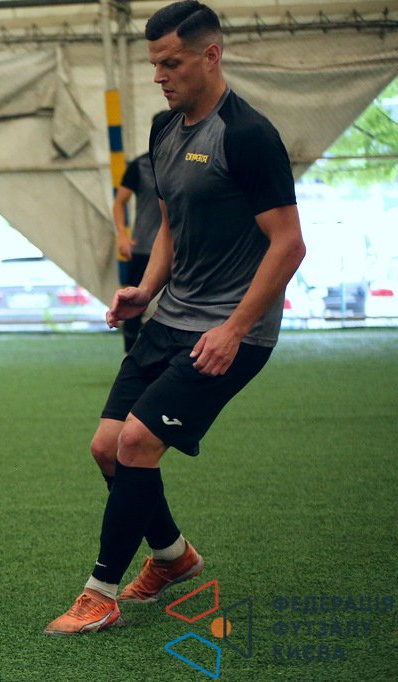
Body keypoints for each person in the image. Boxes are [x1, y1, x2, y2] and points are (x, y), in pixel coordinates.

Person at [45, 0, 305, 635]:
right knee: (107, 448)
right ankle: (172, 556)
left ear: (210, 56)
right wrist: (145, 288)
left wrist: (234, 329)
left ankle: (99, 593)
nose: (159, 75)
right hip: (170, 316)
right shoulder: (164, 130)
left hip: (231, 331)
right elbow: (167, 226)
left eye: (172, 63)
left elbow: (289, 244)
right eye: (154, 63)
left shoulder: (247, 135)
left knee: (137, 442)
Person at [112, 144, 162, 353]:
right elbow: (119, 203)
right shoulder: (140, 165)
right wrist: (122, 236)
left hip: (181, 249)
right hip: (144, 248)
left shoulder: (189, 161)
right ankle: (129, 356)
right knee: (133, 303)